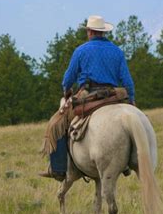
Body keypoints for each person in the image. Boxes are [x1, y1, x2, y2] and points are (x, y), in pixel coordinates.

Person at [39, 15, 136, 181]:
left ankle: (59, 169)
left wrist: (66, 90)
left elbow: (68, 78)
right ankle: (126, 162)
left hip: (88, 95)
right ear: (103, 32)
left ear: (90, 32)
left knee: (55, 124)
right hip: (112, 95)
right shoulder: (117, 51)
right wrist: (132, 100)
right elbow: (128, 81)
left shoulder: (81, 51)